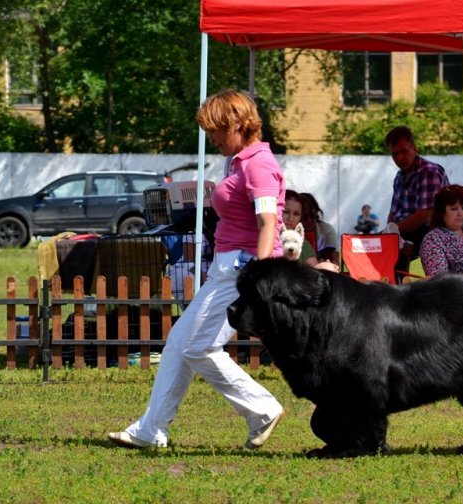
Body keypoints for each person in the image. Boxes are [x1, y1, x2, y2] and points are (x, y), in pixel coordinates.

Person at [107, 90, 285, 449]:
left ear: (236, 123)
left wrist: (259, 279)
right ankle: (151, 430)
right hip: (228, 267)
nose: (211, 138)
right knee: (178, 343)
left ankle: (262, 409)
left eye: (215, 130)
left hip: (243, 269)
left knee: (198, 347)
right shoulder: (237, 161)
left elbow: (269, 222)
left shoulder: (258, 164)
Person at [385, 126, 449, 272]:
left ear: (414, 148)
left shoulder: (429, 172)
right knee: (380, 247)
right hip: (406, 231)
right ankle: (392, 286)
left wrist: (394, 233)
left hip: (432, 231)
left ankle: (398, 285)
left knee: (390, 247)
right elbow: (393, 213)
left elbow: (426, 215)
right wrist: (390, 234)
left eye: (404, 151)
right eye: (395, 154)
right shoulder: (399, 176)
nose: (400, 158)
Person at [299, 192, 340, 264]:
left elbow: (335, 258)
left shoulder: (327, 230)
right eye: (304, 216)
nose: (309, 220)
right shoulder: (289, 232)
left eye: (313, 215)